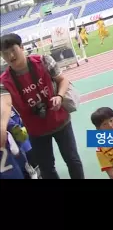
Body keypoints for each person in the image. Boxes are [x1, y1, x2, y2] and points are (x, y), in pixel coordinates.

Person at [0, 33, 85, 179]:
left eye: (13, 50)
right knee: (46, 169)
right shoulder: (4, 81)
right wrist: (2, 128)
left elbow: (62, 80)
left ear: (21, 47)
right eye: (5, 53)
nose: (11, 56)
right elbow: (6, 104)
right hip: (36, 130)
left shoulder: (44, 61)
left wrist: (59, 96)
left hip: (60, 121)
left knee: (72, 159)